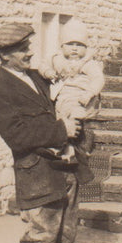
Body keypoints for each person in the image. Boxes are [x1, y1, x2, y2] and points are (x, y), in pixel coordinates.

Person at [0, 22, 94, 243]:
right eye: (21, 50)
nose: (29, 52)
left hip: (66, 167)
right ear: (5, 56)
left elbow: (62, 102)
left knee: (63, 238)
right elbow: (17, 137)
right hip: (37, 173)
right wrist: (62, 132)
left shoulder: (34, 77)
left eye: (28, 46)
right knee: (39, 241)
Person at [38, 18, 105, 162]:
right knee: (60, 120)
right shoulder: (57, 59)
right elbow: (42, 65)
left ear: (86, 48)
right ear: (62, 46)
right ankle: (65, 147)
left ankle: (75, 147)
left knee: (74, 118)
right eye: (70, 44)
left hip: (81, 98)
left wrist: (89, 93)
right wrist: (48, 72)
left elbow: (98, 79)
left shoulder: (87, 63)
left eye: (79, 45)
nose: (74, 48)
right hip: (62, 98)